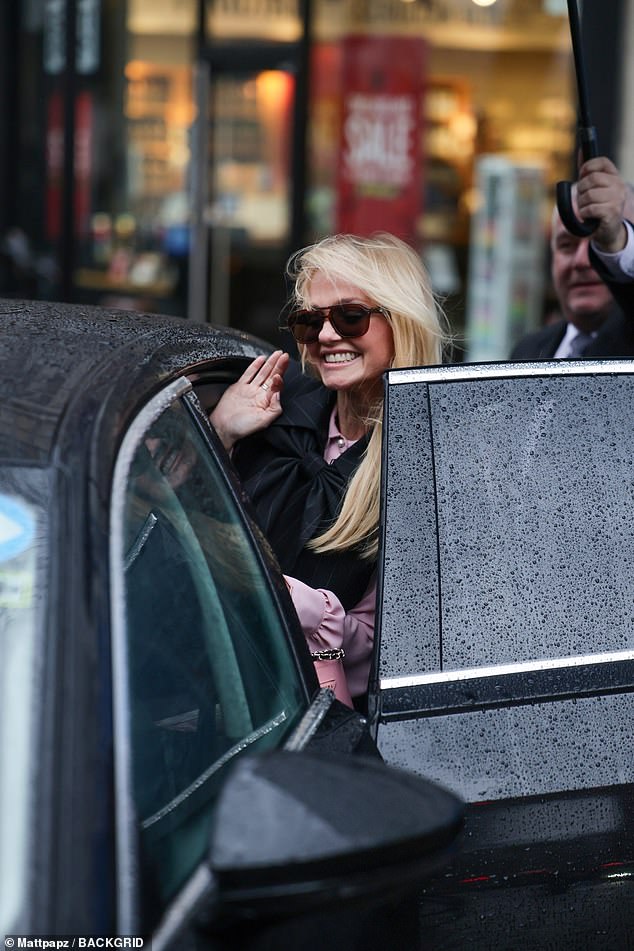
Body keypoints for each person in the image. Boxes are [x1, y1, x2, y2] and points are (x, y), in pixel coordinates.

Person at [210, 233, 447, 707]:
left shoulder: (432, 461)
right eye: (309, 320)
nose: (325, 335)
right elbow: (190, 527)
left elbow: (395, 656)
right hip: (221, 685)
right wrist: (220, 431)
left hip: (317, 716)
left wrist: (311, 611)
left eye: (350, 316)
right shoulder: (277, 415)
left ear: (401, 322)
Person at [511, 157, 634, 360]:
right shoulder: (527, 352)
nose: (581, 261)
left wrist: (615, 239)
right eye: (567, 245)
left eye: (599, 244)